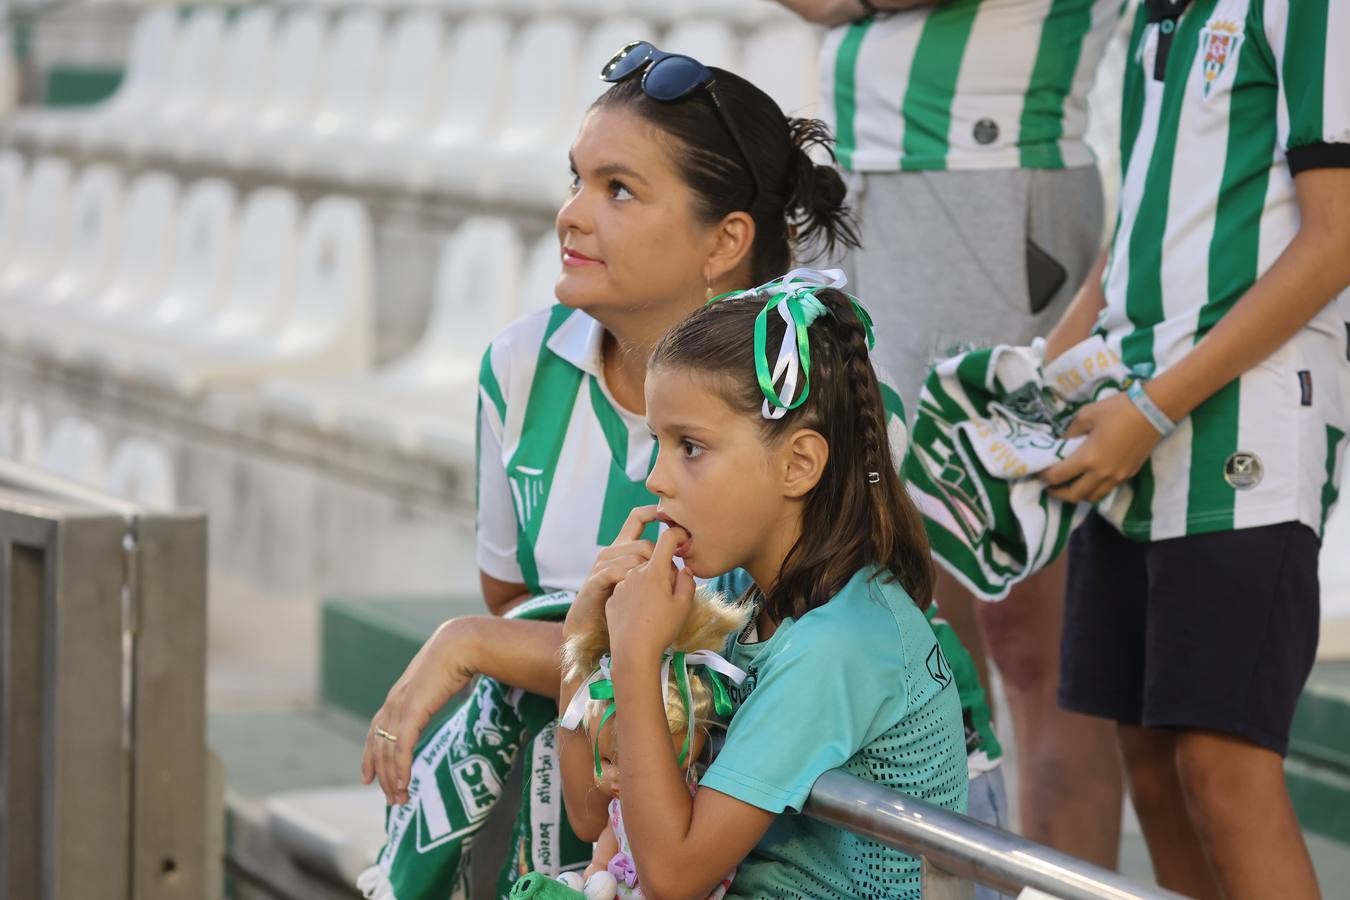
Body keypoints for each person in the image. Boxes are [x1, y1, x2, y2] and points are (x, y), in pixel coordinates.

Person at [358, 43, 865, 899]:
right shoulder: (520, 367)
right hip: (601, 801)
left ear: (726, 242)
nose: (572, 216)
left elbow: (741, 675)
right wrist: (498, 640)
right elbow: (527, 612)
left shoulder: (807, 391)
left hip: (789, 839)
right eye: (576, 180)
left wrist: (475, 644)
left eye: (619, 190)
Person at [772, 0, 1126, 863]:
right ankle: (952, 881)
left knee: (1031, 620)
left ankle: (1059, 885)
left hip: (994, 173)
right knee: (917, 594)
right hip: (863, 175)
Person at [1039, 1, 1350, 897]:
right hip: (1134, 411)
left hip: (1244, 416)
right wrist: (1042, 373)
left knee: (1223, 764)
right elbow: (1141, 225)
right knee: (1150, 759)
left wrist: (1155, 407)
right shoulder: (1151, 12)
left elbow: (1335, 242)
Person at [566, 278, 967, 899]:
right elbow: (590, 813)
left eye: (690, 447)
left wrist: (637, 656)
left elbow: (674, 878)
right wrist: (584, 638)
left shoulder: (841, 643)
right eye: (658, 444)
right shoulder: (738, 594)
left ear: (798, 465)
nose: (656, 479)